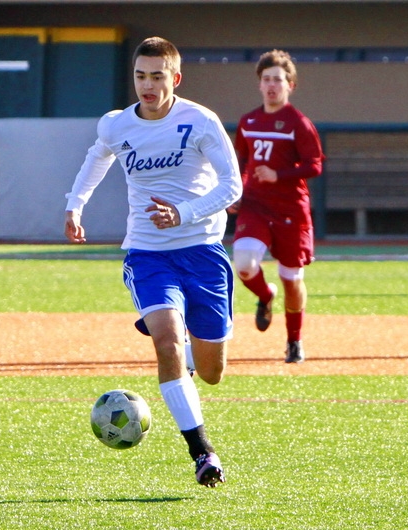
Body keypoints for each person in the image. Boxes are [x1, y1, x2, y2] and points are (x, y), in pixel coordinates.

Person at [64, 37, 242, 487]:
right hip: (147, 253)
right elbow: (96, 158)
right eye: (141, 75)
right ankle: (202, 452)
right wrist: (74, 205)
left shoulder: (200, 121)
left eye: (157, 76)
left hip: (203, 251)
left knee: (214, 372)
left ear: (175, 79)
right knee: (165, 340)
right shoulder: (117, 124)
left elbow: (232, 186)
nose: (147, 84)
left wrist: (182, 213)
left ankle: (192, 362)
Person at [231, 49, 325, 364]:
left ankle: (294, 341)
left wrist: (278, 174)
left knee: (292, 279)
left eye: (278, 80)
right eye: (267, 79)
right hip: (256, 205)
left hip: (291, 211)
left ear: (290, 85)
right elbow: (240, 160)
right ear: (259, 84)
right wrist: (236, 191)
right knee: (243, 262)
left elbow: (314, 165)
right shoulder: (249, 121)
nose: (272, 85)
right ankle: (265, 295)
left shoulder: (298, 123)